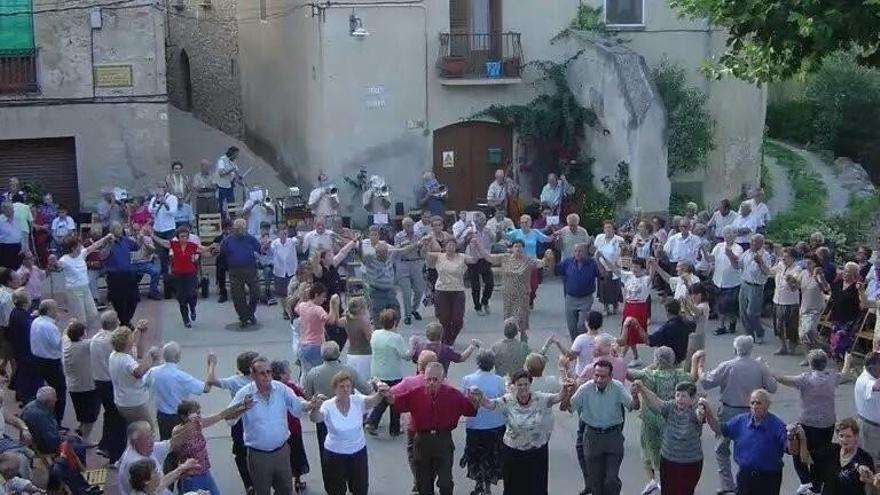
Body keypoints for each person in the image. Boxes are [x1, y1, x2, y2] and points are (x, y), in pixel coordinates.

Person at [694, 335, 778, 494]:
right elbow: (772, 387)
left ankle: (727, 484)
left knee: (722, 448)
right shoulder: (759, 367)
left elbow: (706, 381)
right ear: (751, 349)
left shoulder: (727, 366)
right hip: (752, 412)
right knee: (750, 447)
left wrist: (699, 368)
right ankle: (747, 479)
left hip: (729, 410)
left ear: (735, 349)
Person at [227, 356, 318, 495]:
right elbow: (229, 419)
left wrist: (311, 404)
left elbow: (297, 406)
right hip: (258, 455)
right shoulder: (245, 393)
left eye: (269, 372)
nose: (267, 376)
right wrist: (243, 408)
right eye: (262, 373)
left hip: (282, 452)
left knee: (286, 490)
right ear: (253, 375)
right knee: (262, 491)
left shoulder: (281, 389)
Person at [474, 368, 572, 495]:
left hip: (537, 452)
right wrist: (480, 395)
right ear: (514, 386)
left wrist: (565, 388)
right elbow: (489, 404)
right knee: (513, 487)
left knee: (537, 488)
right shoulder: (508, 400)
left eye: (526, 384)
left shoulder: (540, 398)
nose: (523, 387)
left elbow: (558, 397)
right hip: (513, 452)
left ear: (530, 384)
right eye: (519, 384)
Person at [387, 362, 478, 495]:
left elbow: (469, 410)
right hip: (422, 441)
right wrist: (388, 397)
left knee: (446, 482)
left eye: (435, 380)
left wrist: (475, 401)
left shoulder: (454, 395)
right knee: (423, 483)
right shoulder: (415, 393)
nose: (431, 383)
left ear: (443, 379)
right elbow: (397, 403)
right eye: (428, 379)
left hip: (443, 440)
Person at [301, 342, 372, 490]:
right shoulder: (348, 371)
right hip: (348, 415)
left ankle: (332, 486)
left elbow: (308, 396)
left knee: (328, 455)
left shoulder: (313, 373)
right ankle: (355, 484)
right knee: (354, 454)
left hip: (324, 419)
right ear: (338, 354)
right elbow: (366, 389)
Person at [770, 349, 840, 494]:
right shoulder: (832, 376)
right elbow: (844, 374)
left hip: (808, 423)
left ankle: (805, 480)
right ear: (825, 363)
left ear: (810, 364)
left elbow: (783, 379)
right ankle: (816, 485)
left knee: (797, 452)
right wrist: (848, 362)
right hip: (828, 424)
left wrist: (767, 368)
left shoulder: (805, 379)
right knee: (820, 455)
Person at [627, 347, 696, 494]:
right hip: (671, 418)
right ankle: (669, 481)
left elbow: (628, 374)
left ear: (656, 359)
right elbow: (693, 378)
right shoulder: (680, 375)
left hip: (650, 419)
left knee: (648, 449)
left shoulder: (648, 374)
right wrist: (697, 360)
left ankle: (652, 480)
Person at [309, 371, 390, 495]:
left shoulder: (357, 400)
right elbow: (316, 418)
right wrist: (315, 408)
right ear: (335, 389)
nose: (346, 390)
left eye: (348, 386)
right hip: (335, 454)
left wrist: (380, 393)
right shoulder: (328, 405)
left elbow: (373, 401)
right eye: (342, 387)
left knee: (360, 488)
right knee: (336, 490)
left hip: (358, 453)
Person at [633, 380, 719, 495]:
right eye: (677, 395)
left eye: (684, 396)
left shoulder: (696, 410)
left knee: (685, 492)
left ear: (692, 399)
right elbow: (656, 401)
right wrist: (642, 388)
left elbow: (700, 417)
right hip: (668, 459)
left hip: (691, 462)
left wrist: (705, 408)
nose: (679, 399)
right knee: (668, 491)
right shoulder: (671, 407)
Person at [568, 359, 640, 495]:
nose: (599, 379)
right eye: (596, 375)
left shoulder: (617, 387)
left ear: (611, 377)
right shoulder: (585, 388)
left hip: (613, 436)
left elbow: (632, 406)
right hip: (592, 436)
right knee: (595, 482)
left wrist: (635, 397)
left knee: (611, 479)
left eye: (603, 376)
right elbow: (568, 407)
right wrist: (567, 393)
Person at [474, 239, 553, 342]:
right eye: (516, 246)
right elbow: (489, 258)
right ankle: (510, 339)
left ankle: (523, 336)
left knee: (521, 318)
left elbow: (542, 263)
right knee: (509, 319)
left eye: (520, 246)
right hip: (508, 295)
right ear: (512, 248)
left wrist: (547, 257)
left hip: (522, 295)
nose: (518, 249)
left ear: (523, 249)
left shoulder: (528, 260)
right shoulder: (505, 258)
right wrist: (478, 245)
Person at [171, 399, 250, 495]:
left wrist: (241, 404)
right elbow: (175, 440)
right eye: (195, 413)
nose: (198, 416)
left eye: (199, 413)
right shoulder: (177, 430)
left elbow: (221, 415)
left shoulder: (198, 423)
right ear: (183, 417)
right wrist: (189, 424)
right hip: (191, 477)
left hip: (205, 472)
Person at [206, 350, 258, 493]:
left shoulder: (235, 381)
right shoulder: (260, 379)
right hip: (256, 419)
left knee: (240, 453)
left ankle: (249, 484)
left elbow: (211, 381)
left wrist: (211, 363)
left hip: (238, 419)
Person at [720, 389, 788, 495]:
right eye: (752, 403)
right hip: (745, 476)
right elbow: (720, 429)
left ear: (767, 405)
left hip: (768, 478)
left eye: (759, 403)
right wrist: (708, 414)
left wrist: (793, 437)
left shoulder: (777, 425)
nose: (755, 406)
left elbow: (790, 449)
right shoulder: (740, 421)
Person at [142, 342, 212, 444]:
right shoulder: (181, 376)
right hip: (180, 417)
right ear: (178, 357)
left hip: (162, 416)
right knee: (184, 445)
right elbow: (206, 389)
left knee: (166, 445)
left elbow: (144, 382)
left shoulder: (153, 372)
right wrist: (211, 365)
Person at [459, 350, 506, 495]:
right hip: (495, 424)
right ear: (492, 364)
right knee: (492, 456)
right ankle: (488, 485)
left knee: (476, 456)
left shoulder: (468, 379)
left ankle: (479, 481)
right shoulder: (499, 380)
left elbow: (462, 400)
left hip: (475, 424)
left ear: (478, 362)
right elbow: (504, 400)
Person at [51, 232, 114, 330]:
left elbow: (95, 245)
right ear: (73, 248)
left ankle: (79, 330)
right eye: (78, 245)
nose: (81, 246)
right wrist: (53, 262)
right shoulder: (64, 260)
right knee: (82, 319)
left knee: (93, 314)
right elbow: (57, 267)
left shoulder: (82, 254)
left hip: (85, 288)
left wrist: (106, 238)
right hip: (73, 290)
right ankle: (78, 335)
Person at [91, 311, 127, 463]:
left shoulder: (95, 338)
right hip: (110, 382)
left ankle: (105, 444)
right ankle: (115, 456)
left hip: (98, 380)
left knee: (110, 413)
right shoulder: (111, 342)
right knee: (119, 418)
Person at [151, 227, 206, 328]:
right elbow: (163, 242)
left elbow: (204, 250)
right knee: (181, 298)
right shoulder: (174, 245)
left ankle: (193, 308)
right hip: (178, 274)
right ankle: (186, 320)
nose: (184, 238)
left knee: (192, 294)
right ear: (178, 237)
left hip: (190, 273)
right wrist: (153, 236)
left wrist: (212, 248)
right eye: (182, 236)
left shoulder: (192, 245)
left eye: (186, 236)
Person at [425, 238, 476, 345]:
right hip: (442, 290)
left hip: (457, 291)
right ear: (444, 247)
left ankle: (450, 339)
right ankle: (445, 342)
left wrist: (474, 246)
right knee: (444, 319)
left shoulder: (461, 257)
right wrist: (426, 243)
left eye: (453, 245)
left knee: (458, 320)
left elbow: (474, 260)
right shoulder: (439, 256)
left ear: (456, 247)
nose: (450, 247)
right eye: (448, 245)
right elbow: (426, 254)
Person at [366, 309, 408, 437]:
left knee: (382, 399)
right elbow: (405, 355)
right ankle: (394, 428)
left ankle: (372, 422)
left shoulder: (375, 334)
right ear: (395, 322)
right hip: (393, 374)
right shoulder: (396, 338)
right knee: (394, 401)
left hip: (376, 374)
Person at [118, 421, 189, 495]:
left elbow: (172, 443)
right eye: (148, 438)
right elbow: (160, 484)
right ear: (136, 441)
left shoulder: (144, 448)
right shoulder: (135, 463)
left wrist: (189, 427)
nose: (152, 440)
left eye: (152, 435)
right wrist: (181, 470)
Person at [109, 323, 159, 427]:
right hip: (134, 403)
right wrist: (150, 356)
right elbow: (139, 373)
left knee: (132, 428)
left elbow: (135, 343)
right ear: (126, 342)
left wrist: (139, 330)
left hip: (121, 401)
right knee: (147, 430)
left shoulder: (114, 355)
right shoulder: (126, 359)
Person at [220, 218, 262, 328]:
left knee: (256, 292)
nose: (241, 230)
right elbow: (222, 253)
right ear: (234, 229)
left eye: (243, 228)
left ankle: (250, 313)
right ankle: (243, 318)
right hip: (235, 270)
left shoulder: (250, 238)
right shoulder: (227, 240)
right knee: (238, 296)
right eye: (238, 228)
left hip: (250, 269)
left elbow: (260, 249)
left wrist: (265, 246)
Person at [609, 258, 652, 363]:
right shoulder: (628, 276)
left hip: (639, 307)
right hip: (629, 305)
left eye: (637, 267)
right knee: (627, 332)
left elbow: (652, 275)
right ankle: (635, 357)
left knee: (631, 332)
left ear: (642, 268)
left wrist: (653, 265)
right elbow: (615, 270)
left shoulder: (646, 279)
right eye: (633, 266)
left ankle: (622, 357)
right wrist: (605, 259)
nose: (634, 269)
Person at [30, 299, 67, 422]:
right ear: (50, 311)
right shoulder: (50, 326)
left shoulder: (36, 321)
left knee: (43, 389)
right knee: (59, 390)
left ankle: (45, 416)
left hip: (38, 359)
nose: (57, 311)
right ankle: (57, 419)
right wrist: (67, 332)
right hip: (51, 362)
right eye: (55, 309)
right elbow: (58, 344)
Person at [294, 284, 341, 380]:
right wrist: (333, 304)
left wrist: (303, 296)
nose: (324, 299)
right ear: (316, 295)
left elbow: (296, 308)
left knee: (305, 373)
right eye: (323, 296)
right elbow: (331, 320)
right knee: (318, 373)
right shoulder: (318, 309)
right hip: (315, 345)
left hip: (303, 345)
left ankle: (305, 391)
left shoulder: (302, 306)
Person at [62, 321, 98, 442]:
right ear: (82, 334)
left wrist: (70, 325)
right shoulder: (84, 345)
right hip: (87, 387)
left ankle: (81, 430)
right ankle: (85, 439)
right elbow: (98, 341)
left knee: (82, 413)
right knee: (91, 416)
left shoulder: (67, 344)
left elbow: (65, 334)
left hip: (73, 386)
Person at [556, 243, 599, 342]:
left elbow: (602, 276)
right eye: (576, 251)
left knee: (581, 325)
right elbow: (555, 270)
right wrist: (549, 261)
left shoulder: (592, 263)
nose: (578, 253)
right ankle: (576, 347)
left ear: (586, 252)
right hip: (570, 299)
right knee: (572, 326)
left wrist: (600, 260)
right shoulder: (567, 262)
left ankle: (584, 343)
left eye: (580, 251)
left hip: (586, 299)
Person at [825, 262, 867, 362]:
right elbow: (829, 293)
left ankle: (843, 366)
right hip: (837, 317)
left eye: (848, 271)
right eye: (844, 270)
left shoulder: (857, 286)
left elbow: (864, 304)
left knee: (843, 343)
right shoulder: (838, 284)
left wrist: (861, 291)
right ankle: (838, 365)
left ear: (854, 274)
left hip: (849, 320)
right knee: (834, 343)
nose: (844, 273)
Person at [506, 215, 551, 307]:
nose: (524, 224)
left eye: (526, 222)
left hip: (532, 261)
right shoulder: (516, 232)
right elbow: (504, 237)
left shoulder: (535, 232)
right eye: (522, 222)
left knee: (534, 285)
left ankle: (531, 299)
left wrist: (555, 235)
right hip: (518, 262)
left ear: (530, 223)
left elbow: (547, 239)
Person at [707, 226, 743, 335]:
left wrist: (730, 253)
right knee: (719, 305)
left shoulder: (738, 248)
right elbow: (711, 258)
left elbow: (737, 261)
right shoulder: (718, 246)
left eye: (731, 234)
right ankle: (721, 326)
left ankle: (732, 323)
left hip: (732, 282)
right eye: (726, 234)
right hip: (718, 280)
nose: (728, 236)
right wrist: (703, 250)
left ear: (735, 235)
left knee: (731, 305)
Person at [737, 234, 771, 343]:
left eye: (754, 242)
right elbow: (739, 265)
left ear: (761, 243)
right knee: (743, 312)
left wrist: (760, 262)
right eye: (751, 241)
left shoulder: (765, 255)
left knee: (752, 312)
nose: (751, 243)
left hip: (756, 286)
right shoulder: (747, 253)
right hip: (744, 284)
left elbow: (767, 272)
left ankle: (760, 331)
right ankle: (749, 335)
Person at [409, 321, 479, 374]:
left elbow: (414, 359)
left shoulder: (420, 347)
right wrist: (472, 346)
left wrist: (412, 343)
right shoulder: (445, 349)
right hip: (440, 380)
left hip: (420, 380)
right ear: (441, 335)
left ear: (427, 334)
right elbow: (461, 358)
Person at [8, 289, 39, 404]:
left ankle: (21, 393)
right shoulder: (22, 318)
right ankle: (26, 398)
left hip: (19, 349)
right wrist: (35, 318)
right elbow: (30, 329)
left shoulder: (16, 312)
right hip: (26, 351)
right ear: (26, 301)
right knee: (28, 376)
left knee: (22, 372)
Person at [393, 217, 427, 325]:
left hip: (416, 263)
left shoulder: (418, 235)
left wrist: (423, 245)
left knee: (419, 290)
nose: (410, 227)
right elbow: (402, 252)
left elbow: (421, 252)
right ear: (403, 226)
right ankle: (407, 315)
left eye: (411, 225)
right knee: (406, 292)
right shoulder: (399, 236)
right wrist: (416, 245)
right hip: (402, 264)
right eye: (407, 225)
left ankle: (413, 309)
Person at [462, 212, 496, 316]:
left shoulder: (488, 230)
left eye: (484, 220)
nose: (484, 222)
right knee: (475, 286)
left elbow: (495, 240)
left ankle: (485, 301)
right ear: (476, 221)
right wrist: (467, 237)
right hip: (473, 260)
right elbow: (461, 242)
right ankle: (477, 307)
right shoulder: (470, 231)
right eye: (481, 220)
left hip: (485, 259)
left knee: (490, 283)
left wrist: (492, 233)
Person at [770, 247, 802, 355]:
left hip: (790, 302)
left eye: (786, 257)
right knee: (778, 325)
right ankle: (782, 346)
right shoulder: (780, 265)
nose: (784, 259)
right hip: (777, 299)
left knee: (791, 325)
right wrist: (760, 262)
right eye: (783, 256)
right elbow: (769, 271)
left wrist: (790, 279)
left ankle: (792, 346)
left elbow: (795, 285)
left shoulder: (797, 269)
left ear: (793, 258)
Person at [798, 253, 828, 358]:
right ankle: (811, 355)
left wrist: (816, 277)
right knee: (802, 335)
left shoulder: (820, 274)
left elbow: (825, 289)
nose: (807, 265)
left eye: (809, 263)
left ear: (815, 263)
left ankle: (819, 350)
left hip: (816, 308)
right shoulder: (803, 273)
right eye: (806, 262)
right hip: (804, 306)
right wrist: (790, 281)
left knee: (808, 331)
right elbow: (796, 286)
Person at [21, 386, 65, 455]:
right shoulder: (41, 415)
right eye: (54, 398)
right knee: (76, 445)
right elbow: (52, 440)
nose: (56, 400)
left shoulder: (31, 405)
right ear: (47, 402)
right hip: (43, 446)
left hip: (35, 442)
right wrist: (63, 437)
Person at [854, 353, 880, 471]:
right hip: (870, 428)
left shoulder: (873, 375)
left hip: (875, 427)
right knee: (870, 461)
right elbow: (876, 386)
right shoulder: (865, 380)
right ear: (871, 368)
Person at [594, 221, 624, 315]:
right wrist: (599, 265)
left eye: (609, 227)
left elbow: (622, 253)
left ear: (613, 229)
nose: (608, 229)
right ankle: (605, 307)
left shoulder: (619, 240)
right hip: (602, 267)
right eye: (606, 227)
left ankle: (615, 306)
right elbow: (596, 252)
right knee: (603, 287)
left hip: (615, 267)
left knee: (615, 287)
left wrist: (618, 265)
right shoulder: (599, 238)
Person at [339, 296, 372, 381]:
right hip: (364, 354)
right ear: (362, 308)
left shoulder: (346, 319)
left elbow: (336, 322)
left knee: (353, 382)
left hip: (351, 354)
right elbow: (369, 339)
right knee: (364, 382)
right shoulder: (363, 321)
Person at [270, 227, 299, 319]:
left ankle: (293, 310)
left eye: (285, 233)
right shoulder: (274, 243)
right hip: (280, 271)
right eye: (282, 233)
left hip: (291, 271)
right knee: (282, 294)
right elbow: (268, 250)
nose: (284, 235)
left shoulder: (292, 241)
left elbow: (298, 241)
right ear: (278, 234)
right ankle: (285, 311)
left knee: (293, 291)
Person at [215, 146, 240, 213]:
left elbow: (236, 171)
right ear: (232, 153)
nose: (237, 156)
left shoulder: (233, 161)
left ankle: (232, 216)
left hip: (230, 185)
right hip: (222, 185)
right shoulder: (222, 160)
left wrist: (238, 177)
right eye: (236, 154)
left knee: (231, 203)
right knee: (221, 203)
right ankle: (221, 217)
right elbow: (221, 173)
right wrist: (231, 170)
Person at [0, 203, 23, 270]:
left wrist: (23, 246)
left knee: (17, 268)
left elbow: (21, 233)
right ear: (4, 210)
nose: (13, 211)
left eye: (12, 208)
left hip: (17, 247)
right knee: (6, 269)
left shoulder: (17, 219)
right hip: (5, 248)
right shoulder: (0, 220)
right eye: (10, 209)